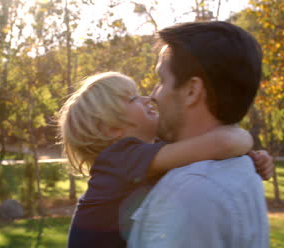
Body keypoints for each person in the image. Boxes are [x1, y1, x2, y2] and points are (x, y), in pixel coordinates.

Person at [58, 71, 272, 248]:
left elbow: (209, 148)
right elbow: (223, 143)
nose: (147, 98)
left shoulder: (151, 152)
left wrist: (253, 157)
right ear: (112, 128)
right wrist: (246, 141)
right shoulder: (118, 158)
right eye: (132, 99)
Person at [128, 21, 270, 247]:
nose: (154, 94)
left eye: (162, 80)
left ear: (192, 91)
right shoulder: (241, 166)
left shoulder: (190, 194)